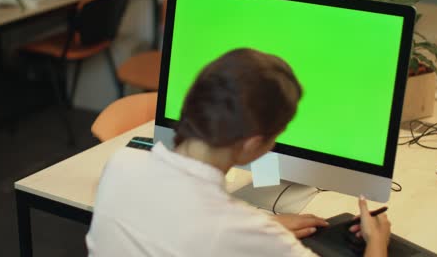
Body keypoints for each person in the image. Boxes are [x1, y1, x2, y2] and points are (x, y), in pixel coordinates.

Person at [86, 48, 391, 257]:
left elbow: (175, 223)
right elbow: (215, 229)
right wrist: (377, 243)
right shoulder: (236, 228)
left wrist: (263, 228)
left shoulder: (121, 164)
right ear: (251, 144)